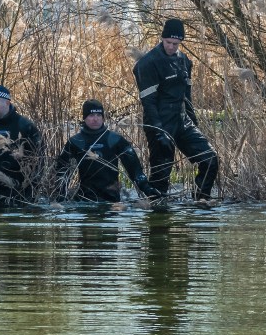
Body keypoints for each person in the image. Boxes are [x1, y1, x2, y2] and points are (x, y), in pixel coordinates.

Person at [132, 18, 218, 200]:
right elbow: (148, 102)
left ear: (181, 43)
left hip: (182, 120)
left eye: (176, 44)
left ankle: (201, 200)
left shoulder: (184, 60)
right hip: (160, 121)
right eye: (168, 42)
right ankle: (157, 211)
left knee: (210, 159)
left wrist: (193, 122)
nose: (171, 46)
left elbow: (187, 95)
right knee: (161, 175)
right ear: (162, 38)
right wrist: (158, 131)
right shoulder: (147, 64)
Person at [54, 99, 163, 202]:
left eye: (98, 115)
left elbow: (135, 170)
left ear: (103, 117)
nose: (95, 119)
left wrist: (148, 189)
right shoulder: (76, 142)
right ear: (84, 118)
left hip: (112, 201)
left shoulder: (115, 140)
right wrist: (61, 196)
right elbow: (61, 172)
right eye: (91, 115)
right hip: (84, 199)